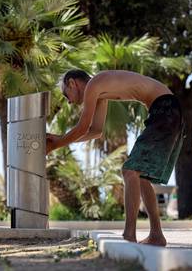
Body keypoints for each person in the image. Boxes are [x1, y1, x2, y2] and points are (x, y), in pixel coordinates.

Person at [47, 70, 184, 247]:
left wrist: (55, 144)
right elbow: (95, 131)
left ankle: (129, 235)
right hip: (166, 110)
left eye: (66, 95)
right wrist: (58, 140)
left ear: (72, 83)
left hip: (165, 109)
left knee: (129, 170)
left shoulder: (94, 84)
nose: (69, 101)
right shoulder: (100, 92)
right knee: (139, 176)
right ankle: (156, 235)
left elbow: (82, 127)